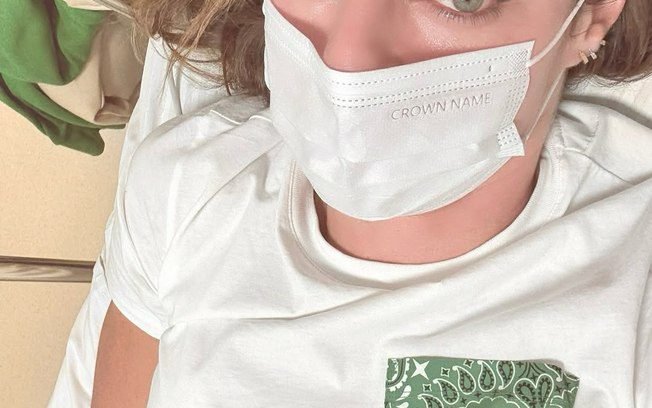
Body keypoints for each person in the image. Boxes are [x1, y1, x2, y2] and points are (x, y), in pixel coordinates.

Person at [48, 0, 652, 406]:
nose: (349, 61)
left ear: (590, 16)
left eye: (462, 0)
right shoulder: (186, 189)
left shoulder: (633, 269)